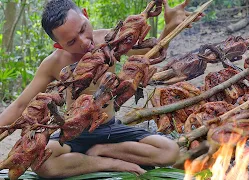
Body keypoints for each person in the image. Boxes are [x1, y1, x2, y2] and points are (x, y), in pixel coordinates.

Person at [0, 0, 203, 178]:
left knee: (169, 151)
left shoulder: (109, 40)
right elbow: (20, 105)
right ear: (59, 46)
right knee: (40, 163)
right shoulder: (53, 64)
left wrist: (169, 27)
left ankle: (102, 150)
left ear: (86, 15)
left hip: (109, 129)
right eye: (71, 42)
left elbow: (152, 52)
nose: (84, 42)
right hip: (75, 134)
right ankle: (108, 162)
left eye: (82, 29)